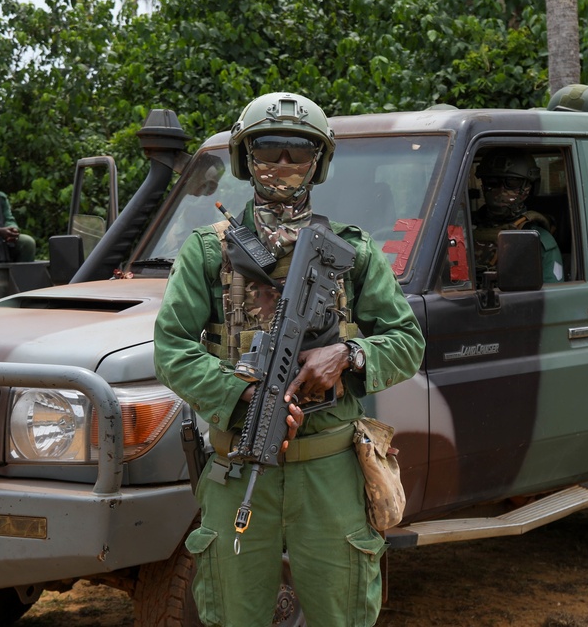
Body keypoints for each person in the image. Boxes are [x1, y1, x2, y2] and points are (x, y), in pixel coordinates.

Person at [153, 92, 425, 627]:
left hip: (329, 470)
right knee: (234, 613)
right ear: (244, 160)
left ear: (317, 163)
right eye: (267, 151)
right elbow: (172, 350)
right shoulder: (210, 252)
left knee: (340, 612)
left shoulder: (355, 252)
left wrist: (347, 354)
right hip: (239, 465)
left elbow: (406, 341)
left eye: (296, 153)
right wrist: (244, 393)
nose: (281, 166)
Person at [472, 148, 564, 283]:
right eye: (492, 181)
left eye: (512, 182)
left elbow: (552, 296)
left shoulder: (538, 239)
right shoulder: (463, 229)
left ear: (529, 186)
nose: (501, 191)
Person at [0, 167, 36, 262]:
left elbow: (9, 219)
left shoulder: (0, 198)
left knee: (27, 243)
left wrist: (12, 230)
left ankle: (24, 276)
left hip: (1, 243)